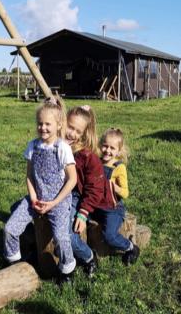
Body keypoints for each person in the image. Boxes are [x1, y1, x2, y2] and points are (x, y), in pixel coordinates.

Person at [4, 97, 77, 282]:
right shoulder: (33, 146)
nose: (42, 128)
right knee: (10, 229)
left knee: (61, 238)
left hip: (58, 201)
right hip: (35, 199)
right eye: (39, 123)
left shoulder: (62, 148)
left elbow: (72, 179)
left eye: (47, 124)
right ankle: (15, 264)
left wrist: (54, 202)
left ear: (59, 125)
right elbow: (29, 176)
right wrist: (34, 198)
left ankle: (66, 271)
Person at [66, 105, 116, 276]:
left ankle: (88, 256)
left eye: (77, 131)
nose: (70, 133)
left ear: (84, 134)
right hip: (56, 195)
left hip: (76, 198)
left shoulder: (88, 157)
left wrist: (83, 212)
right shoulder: (58, 146)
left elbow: (95, 189)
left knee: (68, 235)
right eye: (69, 126)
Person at [95, 128, 140, 265]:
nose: (107, 150)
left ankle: (130, 247)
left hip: (112, 208)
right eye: (105, 146)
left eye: (112, 148)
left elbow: (125, 193)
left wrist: (114, 187)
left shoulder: (119, 168)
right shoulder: (97, 161)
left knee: (109, 236)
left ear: (118, 151)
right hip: (96, 205)